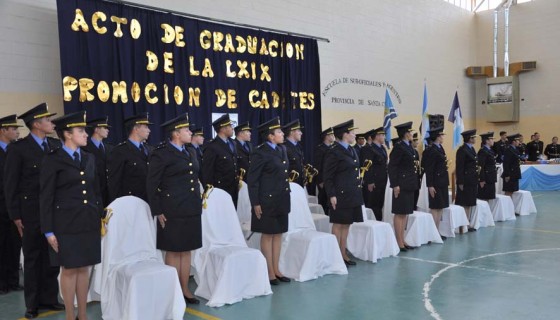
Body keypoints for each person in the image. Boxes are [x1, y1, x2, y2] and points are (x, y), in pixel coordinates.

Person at [40, 111, 103, 320]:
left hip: (87, 220)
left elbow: (95, 190)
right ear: (67, 134)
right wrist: (48, 230)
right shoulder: (53, 159)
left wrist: (99, 217)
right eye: (80, 131)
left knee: (84, 268)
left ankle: (82, 314)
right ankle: (70, 315)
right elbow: (46, 196)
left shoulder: (89, 158)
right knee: (69, 269)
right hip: (65, 223)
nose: (86, 134)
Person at [4, 103, 63, 319]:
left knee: (52, 258)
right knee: (32, 258)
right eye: (47, 120)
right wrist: (15, 216)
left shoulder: (54, 146)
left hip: (52, 212)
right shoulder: (19, 149)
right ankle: (32, 304)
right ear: (37, 124)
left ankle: (50, 298)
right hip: (30, 213)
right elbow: (11, 185)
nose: (51, 123)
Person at [147, 113, 202, 304]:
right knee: (173, 250)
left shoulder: (191, 151)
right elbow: (152, 183)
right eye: (187, 130)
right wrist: (158, 210)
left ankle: (185, 288)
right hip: (172, 208)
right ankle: (173, 290)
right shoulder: (161, 153)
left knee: (186, 250)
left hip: (191, 206)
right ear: (176, 133)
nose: (190, 133)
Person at [248, 117, 291, 285]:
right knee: (268, 234)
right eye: (279, 132)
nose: (282, 134)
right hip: (267, 200)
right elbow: (253, 180)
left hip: (281, 198)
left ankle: (277, 268)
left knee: (278, 233)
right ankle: (269, 271)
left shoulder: (282, 150)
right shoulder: (260, 152)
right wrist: (255, 203)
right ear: (271, 136)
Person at [324, 119, 364, 265]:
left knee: (347, 224)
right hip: (339, 194)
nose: (355, 135)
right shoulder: (334, 151)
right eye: (352, 132)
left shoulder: (351, 149)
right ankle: (336, 255)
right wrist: (332, 194)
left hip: (351, 193)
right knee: (338, 224)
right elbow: (328, 176)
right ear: (345, 134)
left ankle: (343, 252)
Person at [106, 113, 153, 203]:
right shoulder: (120, 151)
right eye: (146, 127)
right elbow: (114, 183)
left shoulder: (150, 149)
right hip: (131, 203)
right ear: (136, 129)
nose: (149, 130)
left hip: (149, 203)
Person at [0, 115, 23, 295]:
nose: (17, 131)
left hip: (14, 206)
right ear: (3, 131)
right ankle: (2, 283)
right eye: (13, 129)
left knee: (14, 245)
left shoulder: (16, 150)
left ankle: (14, 280)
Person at [388, 122, 419, 251]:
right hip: (401, 184)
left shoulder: (409, 147)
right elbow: (392, 167)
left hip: (409, 184)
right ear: (406, 134)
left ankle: (403, 239)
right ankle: (398, 241)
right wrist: (395, 185)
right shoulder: (399, 147)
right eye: (411, 132)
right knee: (399, 213)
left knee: (405, 213)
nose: (412, 134)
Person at [202, 114, 239, 206]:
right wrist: (209, 192)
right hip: (220, 189)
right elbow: (208, 172)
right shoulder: (212, 146)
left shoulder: (233, 143)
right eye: (230, 126)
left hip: (233, 188)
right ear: (222, 129)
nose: (232, 128)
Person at [421, 127, 449, 238]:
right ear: (437, 136)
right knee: (435, 207)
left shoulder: (440, 148)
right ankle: (433, 232)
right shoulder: (432, 150)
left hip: (442, 181)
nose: (443, 137)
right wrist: (430, 185)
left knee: (441, 206)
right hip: (436, 182)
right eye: (441, 135)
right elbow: (429, 169)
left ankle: (437, 231)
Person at [82, 116, 112, 207]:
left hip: (109, 193)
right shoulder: (84, 147)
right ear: (96, 129)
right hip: (94, 191)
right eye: (105, 128)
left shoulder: (110, 148)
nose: (108, 130)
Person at [363, 127, 388, 221]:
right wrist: (369, 181)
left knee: (379, 204)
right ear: (377, 136)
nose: (384, 137)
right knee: (372, 205)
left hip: (382, 181)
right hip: (374, 181)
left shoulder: (382, 148)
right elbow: (367, 166)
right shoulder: (369, 149)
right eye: (383, 135)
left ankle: (379, 223)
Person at [455, 129, 478, 232]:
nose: (475, 139)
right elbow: (460, 167)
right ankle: (462, 225)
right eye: (473, 137)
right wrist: (460, 182)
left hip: (472, 179)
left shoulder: (472, 149)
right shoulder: (462, 150)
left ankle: (467, 224)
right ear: (469, 139)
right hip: (465, 180)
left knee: (470, 203)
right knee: (464, 203)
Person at [314, 127, 334, 214]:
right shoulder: (320, 149)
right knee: (323, 201)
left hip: (331, 180)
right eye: (332, 135)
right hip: (323, 181)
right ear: (327, 136)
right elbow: (318, 166)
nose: (333, 136)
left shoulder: (333, 148)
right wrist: (320, 181)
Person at [282, 119, 305, 187]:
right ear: (292, 132)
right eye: (298, 131)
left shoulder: (298, 146)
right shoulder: (284, 147)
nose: (301, 133)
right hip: (290, 185)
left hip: (299, 184)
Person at [477, 132, 497, 201]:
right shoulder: (483, 151)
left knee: (489, 198)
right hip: (486, 178)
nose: (493, 140)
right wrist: (481, 179)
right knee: (484, 198)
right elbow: (480, 166)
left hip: (490, 177)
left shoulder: (490, 150)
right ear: (487, 141)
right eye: (491, 139)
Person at [412, 132, 422, 209]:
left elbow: (418, 166)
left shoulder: (416, 152)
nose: (417, 142)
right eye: (416, 141)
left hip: (416, 179)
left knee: (416, 198)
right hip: (411, 179)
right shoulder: (410, 151)